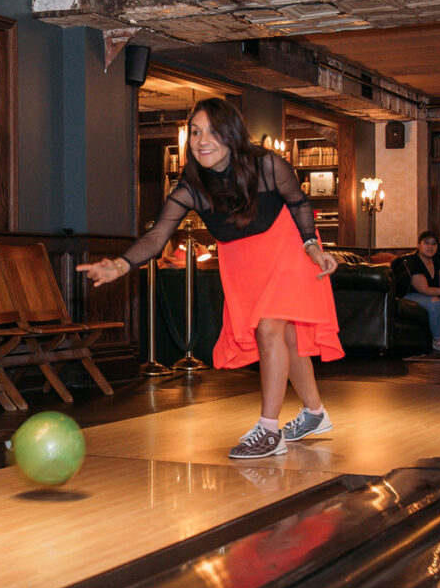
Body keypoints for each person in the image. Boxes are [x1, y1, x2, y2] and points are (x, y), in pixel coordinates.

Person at [78, 98, 342, 460]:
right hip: (241, 261)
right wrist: (121, 265)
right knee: (288, 336)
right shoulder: (192, 186)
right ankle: (314, 413)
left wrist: (312, 245)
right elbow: (157, 236)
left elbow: (298, 202)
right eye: (196, 133)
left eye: (213, 132)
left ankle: (269, 431)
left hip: (285, 247)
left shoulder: (267, 165)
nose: (203, 141)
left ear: (231, 135)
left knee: (269, 330)